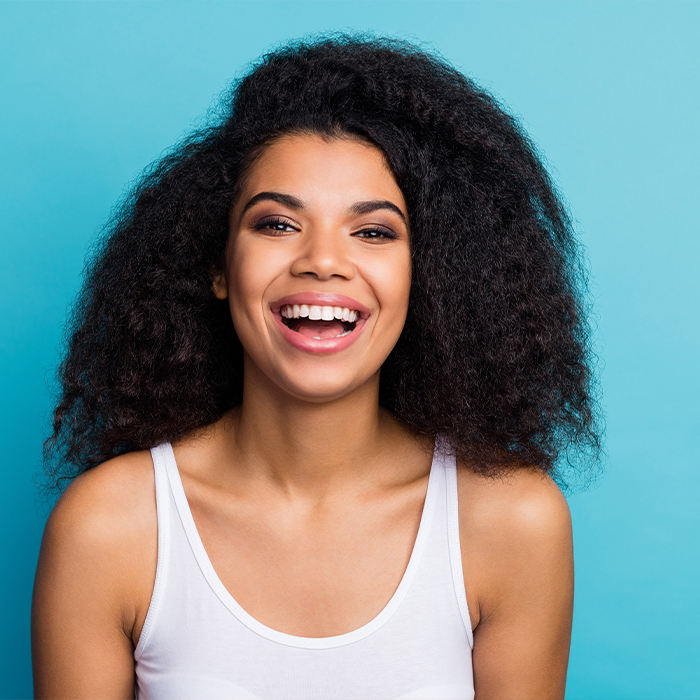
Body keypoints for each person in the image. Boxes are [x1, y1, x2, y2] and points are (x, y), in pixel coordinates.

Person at [32, 35, 601, 699]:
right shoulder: (110, 528)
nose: (322, 260)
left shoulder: (511, 523)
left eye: (374, 231)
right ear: (218, 267)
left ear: (430, 277)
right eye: (277, 224)